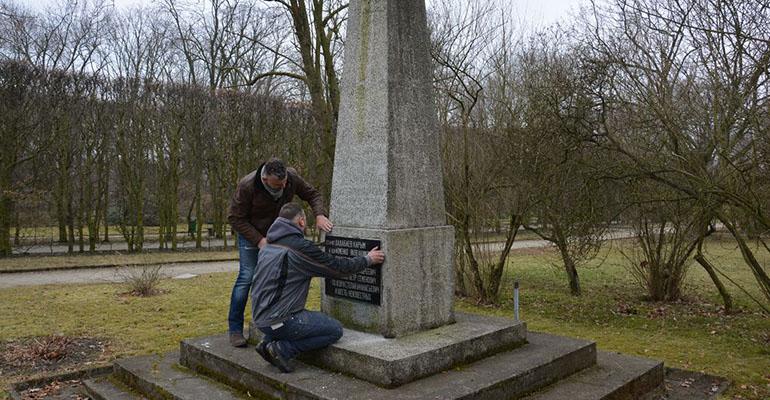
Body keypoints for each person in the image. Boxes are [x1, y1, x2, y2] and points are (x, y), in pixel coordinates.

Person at [251, 203, 385, 373]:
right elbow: (337, 268)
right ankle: (282, 349)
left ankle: (266, 343)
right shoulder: (300, 248)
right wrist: (368, 259)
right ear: (301, 221)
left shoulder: (269, 243)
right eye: (305, 221)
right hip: (280, 320)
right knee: (334, 330)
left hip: (260, 317)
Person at [227, 158, 334, 347]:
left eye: (285, 182)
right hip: (251, 233)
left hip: (278, 233)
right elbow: (235, 218)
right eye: (279, 184)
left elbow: (312, 194)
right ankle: (235, 329)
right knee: (247, 277)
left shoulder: (290, 177)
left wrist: (319, 214)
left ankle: (276, 319)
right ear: (266, 179)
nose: (284, 186)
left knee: (278, 276)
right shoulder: (248, 185)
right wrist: (260, 241)